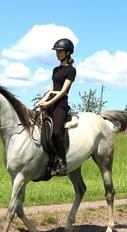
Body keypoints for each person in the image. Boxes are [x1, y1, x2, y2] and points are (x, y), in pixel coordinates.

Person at [36, 38, 76, 176]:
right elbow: (52, 89)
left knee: (57, 133)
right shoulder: (55, 70)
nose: (57, 54)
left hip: (61, 104)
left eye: (60, 51)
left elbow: (63, 91)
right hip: (51, 101)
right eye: (56, 51)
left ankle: (63, 163)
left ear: (68, 52)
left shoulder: (71, 70)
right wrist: (41, 101)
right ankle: (46, 161)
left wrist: (48, 103)